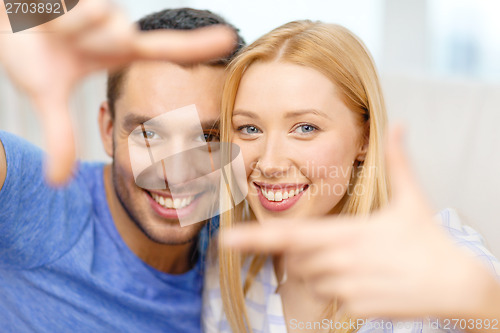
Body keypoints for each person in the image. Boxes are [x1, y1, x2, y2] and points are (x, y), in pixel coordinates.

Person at [202, 20, 500, 333]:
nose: (270, 163)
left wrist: (478, 299)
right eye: (250, 129)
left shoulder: (435, 254)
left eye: (306, 128)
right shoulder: (229, 273)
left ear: (365, 139)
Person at [0, 5, 245, 333]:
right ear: (107, 129)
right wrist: (13, 14)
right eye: (149, 134)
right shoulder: (39, 199)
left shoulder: (236, 250)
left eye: (208, 137)